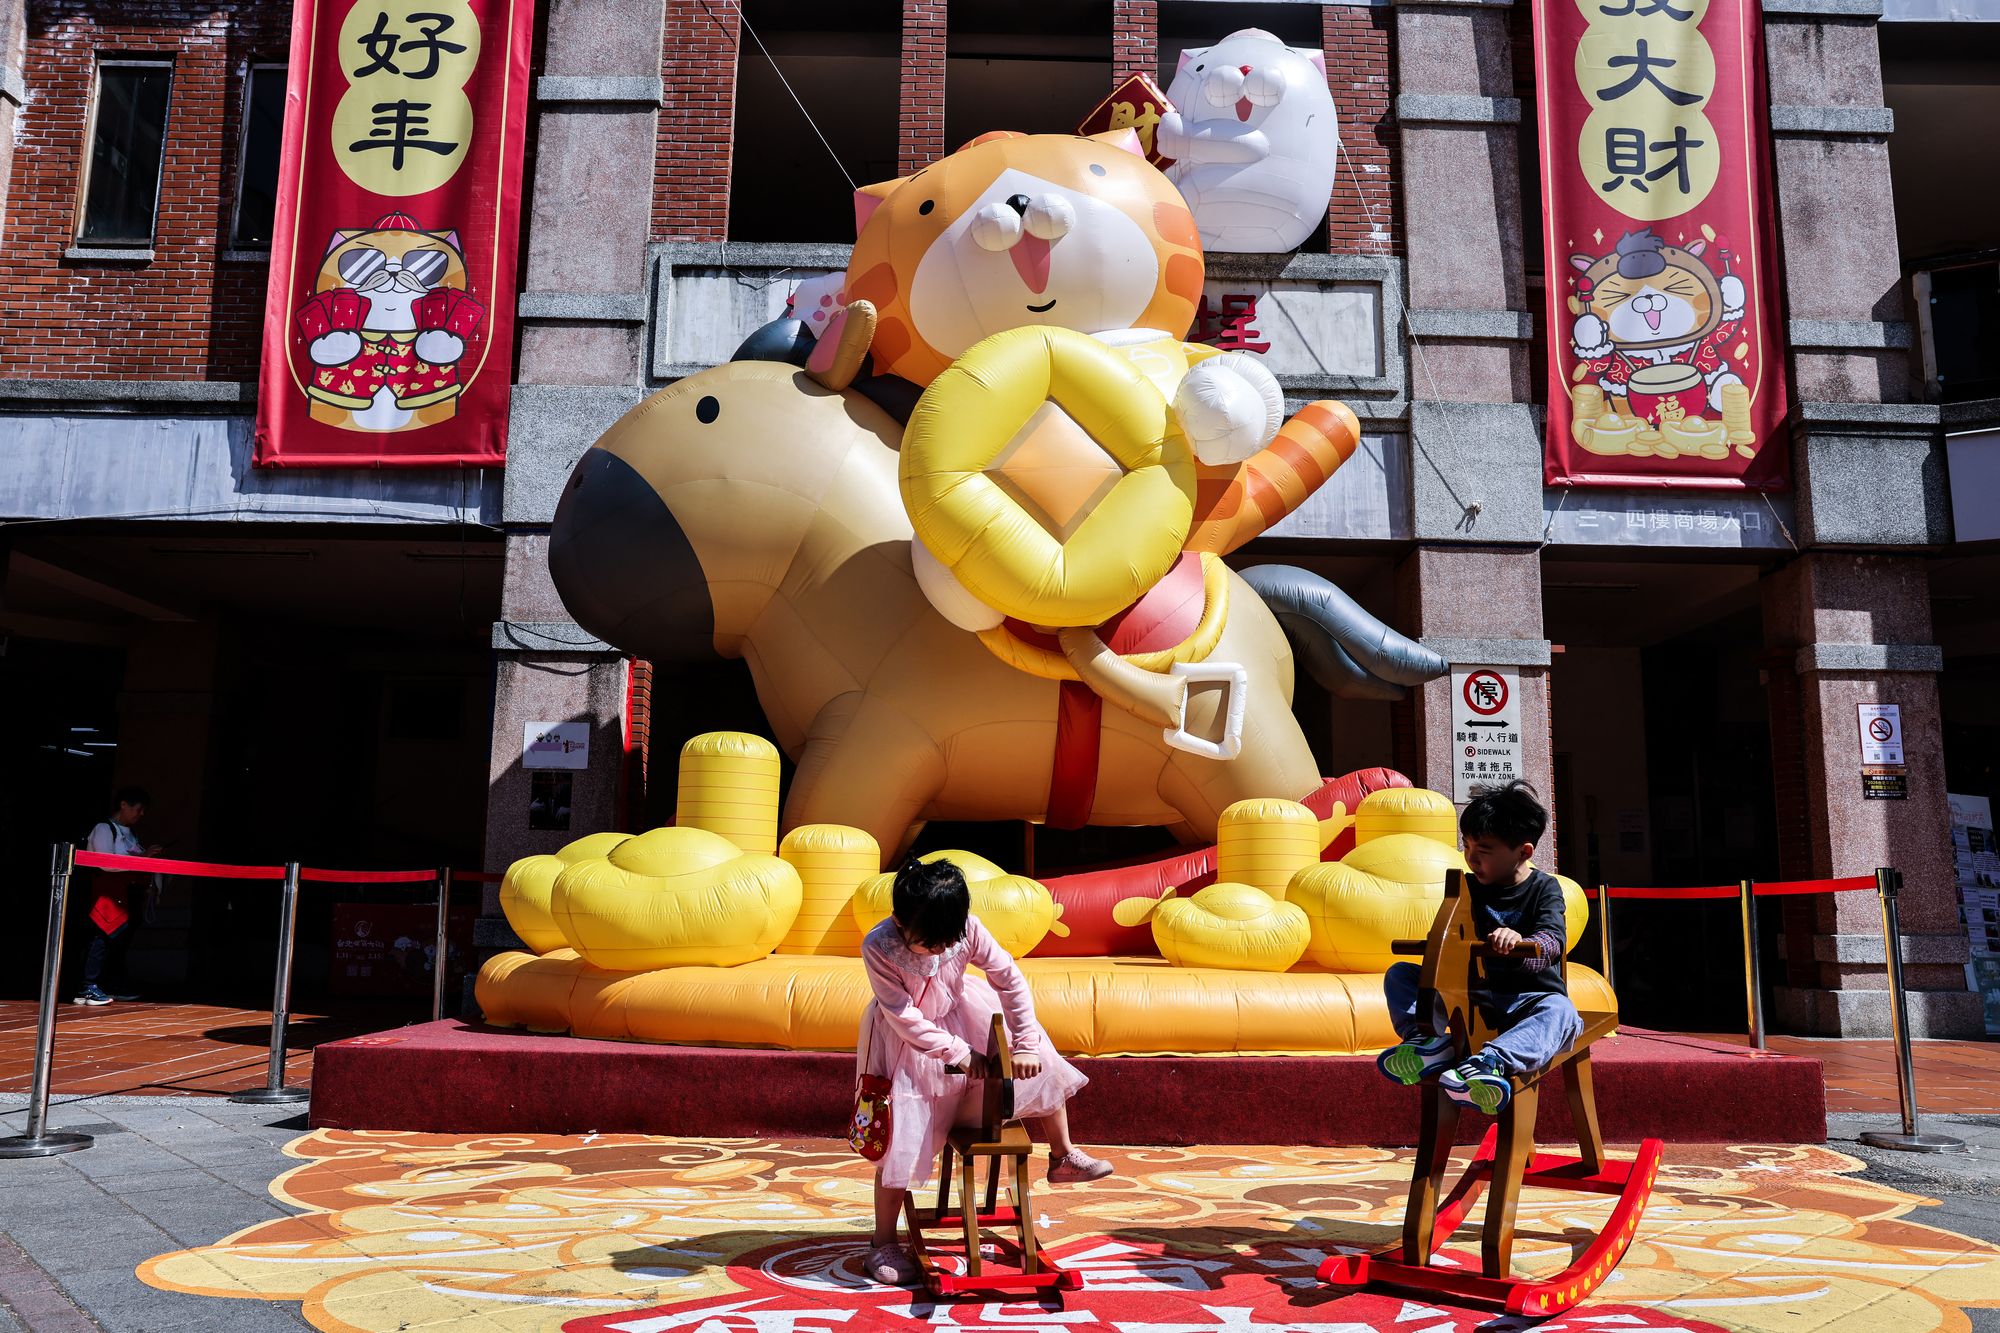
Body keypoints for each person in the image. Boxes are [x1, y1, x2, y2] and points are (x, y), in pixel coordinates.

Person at [857, 858, 1114, 1286]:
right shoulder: (879, 946)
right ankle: (883, 1240)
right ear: (901, 922)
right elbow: (903, 1016)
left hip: (961, 1010)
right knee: (899, 1133)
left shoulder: (967, 928)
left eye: (948, 941)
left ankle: (1062, 1154)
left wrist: (1026, 1042)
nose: (940, 950)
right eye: (929, 943)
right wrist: (959, 1053)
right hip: (909, 1039)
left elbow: (1009, 979)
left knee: (1037, 1054)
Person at [1374, 780, 1582, 1115]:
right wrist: (1438, 948)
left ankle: (1490, 1063)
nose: (1471, 858)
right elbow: (1446, 940)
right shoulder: (1465, 888)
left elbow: (1552, 941)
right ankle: (1425, 1040)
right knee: (1400, 974)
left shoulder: (1545, 889)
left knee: (1563, 1013)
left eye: (1483, 850)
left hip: (1527, 1001)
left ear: (1523, 852)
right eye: (1466, 846)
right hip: (1472, 997)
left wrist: (1521, 943)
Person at [74, 785, 161, 1006]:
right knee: (101, 938)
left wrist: (146, 858)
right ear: (123, 805)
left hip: (128, 894)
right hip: (107, 894)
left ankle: (111, 984)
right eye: (138, 809)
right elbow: (106, 862)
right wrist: (142, 859)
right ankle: (87, 986)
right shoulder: (103, 829)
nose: (140, 815)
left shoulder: (131, 833)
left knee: (119, 942)